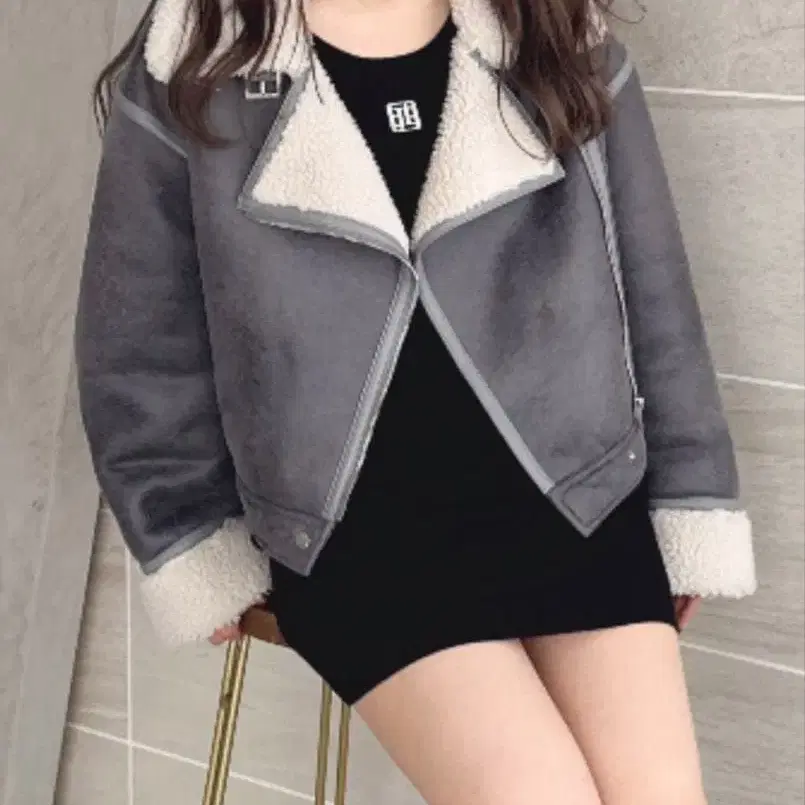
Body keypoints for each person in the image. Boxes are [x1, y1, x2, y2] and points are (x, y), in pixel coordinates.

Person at [76, 0, 758, 802]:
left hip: (576, 497)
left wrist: (689, 496)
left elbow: (651, 282)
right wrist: (189, 532)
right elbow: (139, 338)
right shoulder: (203, 48)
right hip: (359, 533)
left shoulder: (548, 25)